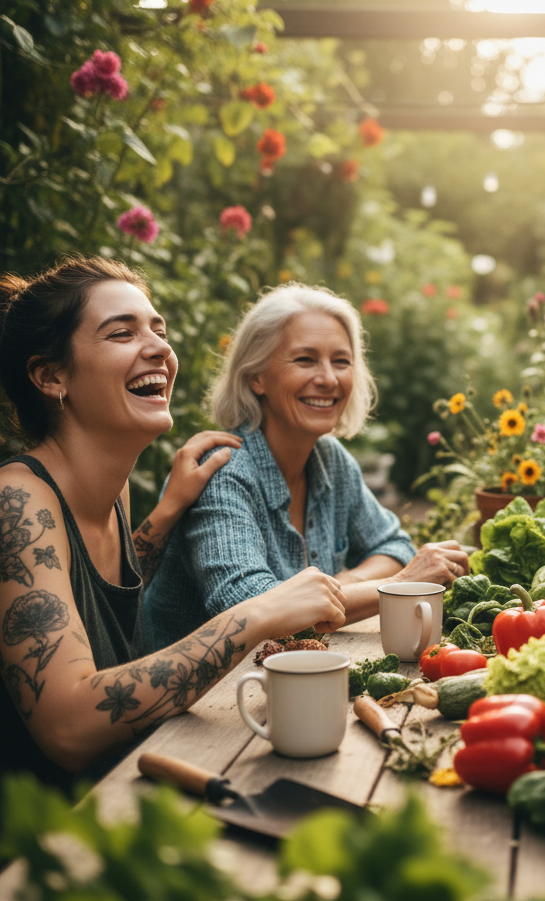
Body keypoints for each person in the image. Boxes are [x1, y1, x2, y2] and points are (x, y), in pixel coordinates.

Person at [0, 258, 348, 795]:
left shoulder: (107, 491)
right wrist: (254, 615)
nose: (160, 348)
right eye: (122, 332)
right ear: (51, 376)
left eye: (158, 330)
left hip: (133, 779)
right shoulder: (16, 503)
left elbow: (95, 597)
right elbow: (67, 726)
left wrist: (164, 516)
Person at [140, 283, 468, 651]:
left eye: (341, 361)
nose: (328, 378)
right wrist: (399, 585)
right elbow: (248, 607)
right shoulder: (222, 471)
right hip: (197, 699)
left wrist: (338, 585)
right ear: (256, 377)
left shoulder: (331, 459)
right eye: (305, 359)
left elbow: (394, 546)